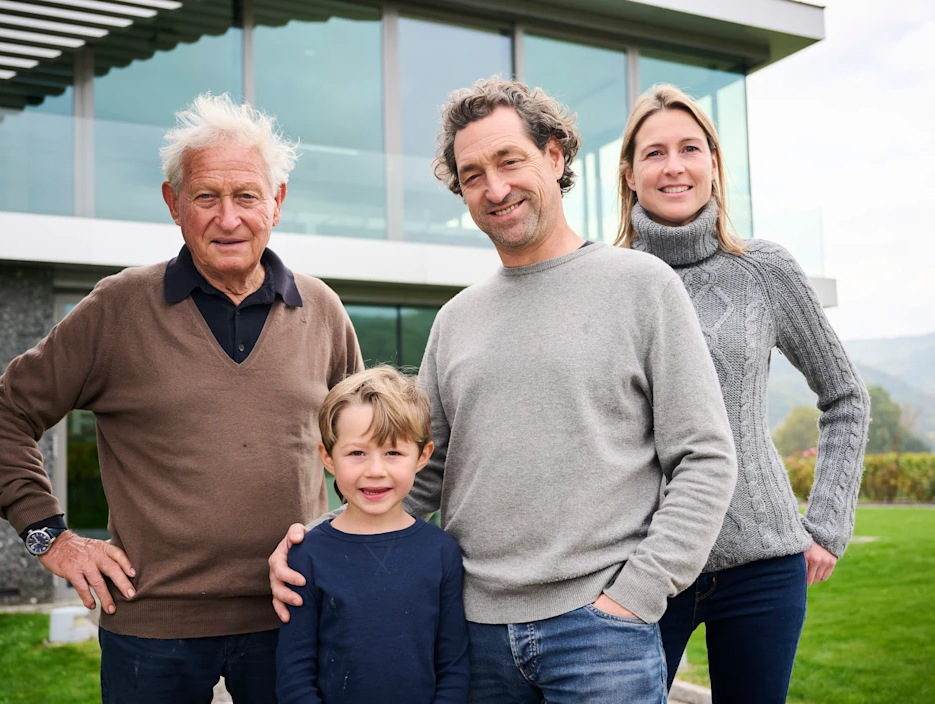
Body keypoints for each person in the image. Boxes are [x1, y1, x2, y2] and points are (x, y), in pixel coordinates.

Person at [270, 78, 739, 703]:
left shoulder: (641, 286)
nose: (494, 188)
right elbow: (418, 476)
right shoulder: (455, 320)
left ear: (555, 156)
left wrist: (637, 595)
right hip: (473, 636)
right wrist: (322, 545)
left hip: (601, 636)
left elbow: (705, 458)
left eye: (509, 160)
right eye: (471, 175)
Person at [0, 93, 363, 704]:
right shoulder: (118, 308)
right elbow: (2, 415)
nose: (228, 218)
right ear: (174, 204)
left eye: (247, 197)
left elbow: (359, 452)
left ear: (277, 204)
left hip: (291, 614)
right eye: (206, 197)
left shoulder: (324, 311)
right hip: (152, 629)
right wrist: (51, 537)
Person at [614, 84, 871, 703]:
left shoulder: (765, 270)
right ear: (628, 174)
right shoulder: (607, 278)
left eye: (689, 148)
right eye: (654, 153)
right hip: (642, 566)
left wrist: (828, 523)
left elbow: (845, 396)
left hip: (763, 566)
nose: (674, 166)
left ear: (714, 164)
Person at [276, 365, 469, 704]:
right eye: (357, 453)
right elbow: (295, 672)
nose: (375, 471)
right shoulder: (307, 555)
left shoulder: (442, 552)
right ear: (328, 457)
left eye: (393, 452)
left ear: (423, 456)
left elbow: (452, 666)